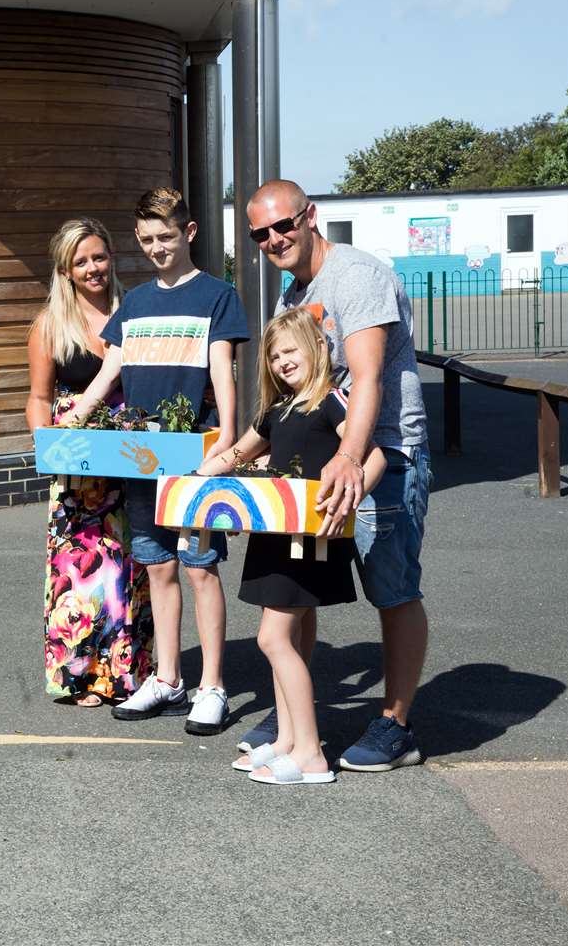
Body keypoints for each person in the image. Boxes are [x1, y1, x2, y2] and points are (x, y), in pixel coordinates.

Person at [246, 179, 430, 772]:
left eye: (284, 225)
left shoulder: (356, 277)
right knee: (298, 590)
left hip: (382, 455)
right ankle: (297, 722)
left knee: (391, 587)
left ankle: (394, 724)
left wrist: (351, 457)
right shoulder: (291, 295)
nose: (275, 239)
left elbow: (368, 378)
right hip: (318, 470)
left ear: (310, 217)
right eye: (261, 234)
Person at [66, 188, 248, 735]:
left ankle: (212, 684)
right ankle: (168, 678)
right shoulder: (136, 303)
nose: (156, 248)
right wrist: (76, 417)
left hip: (194, 457)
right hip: (141, 459)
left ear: (189, 233)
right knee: (158, 565)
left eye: (166, 237)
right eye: (146, 240)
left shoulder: (218, 296)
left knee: (199, 568)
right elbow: (109, 372)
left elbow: (223, 372)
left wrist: (229, 440)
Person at [197, 309, 387, 785]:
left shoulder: (330, 402)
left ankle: (310, 754)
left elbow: (375, 453)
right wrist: (200, 477)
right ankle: (285, 739)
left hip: (311, 541)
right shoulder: (276, 409)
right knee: (291, 639)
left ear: (319, 349)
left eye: (291, 350)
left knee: (272, 639)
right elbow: (239, 452)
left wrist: (350, 495)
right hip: (275, 539)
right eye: (274, 354)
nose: (282, 361)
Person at [26, 218, 153, 707]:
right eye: (81, 261)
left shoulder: (135, 310)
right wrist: (47, 446)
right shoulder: (49, 325)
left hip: (130, 446)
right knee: (81, 568)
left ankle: (125, 671)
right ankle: (81, 673)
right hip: (76, 451)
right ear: (66, 270)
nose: (93, 267)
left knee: (130, 559)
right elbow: (38, 398)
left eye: (99, 257)